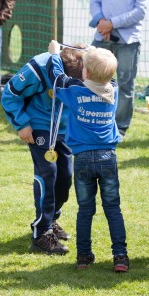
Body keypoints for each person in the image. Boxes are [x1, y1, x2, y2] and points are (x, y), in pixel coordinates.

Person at [47, 40, 129, 272]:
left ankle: (84, 256)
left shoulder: (74, 91)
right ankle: (120, 257)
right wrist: (93, 56)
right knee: (113, 208)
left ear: (85, 71)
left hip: (82, 159)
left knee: (85, 210)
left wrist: (55, 54)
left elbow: (57, 77)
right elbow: (105, 75)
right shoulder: (113, 90)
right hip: (108, 158)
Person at [1, 44, 86, 255]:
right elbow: (10, 93)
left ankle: (52, 219)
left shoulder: (83, 65)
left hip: (64, 129)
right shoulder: (38, 67)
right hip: (39, 126)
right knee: (48, 174)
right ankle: (42, 233)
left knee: (65, 177)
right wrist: (21, 123)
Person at [89, 0, 147, 139]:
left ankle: (119, 129)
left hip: (129, 41)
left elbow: (140, 11)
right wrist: (102, 22)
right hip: (101, 36)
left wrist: (112, 24)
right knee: (90, 80)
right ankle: (91, 122)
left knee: (125, 86)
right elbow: (94, 2)